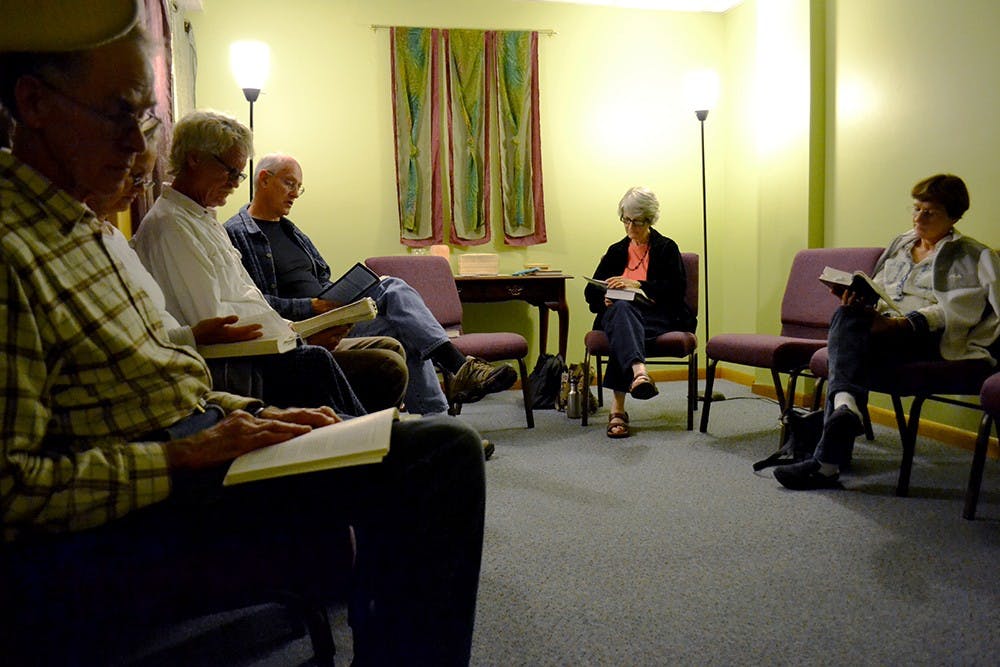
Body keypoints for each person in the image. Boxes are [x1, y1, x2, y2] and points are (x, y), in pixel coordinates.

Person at [0, 20, 485, 665]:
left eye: (147, 120)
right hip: (164, 489)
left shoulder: (90, 231)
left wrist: (248, 415)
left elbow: (167, 373)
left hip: (206, 431)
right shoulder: (14, 253)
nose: (141, 148)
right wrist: (190, 453)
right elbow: (12, 488)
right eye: (120, 114)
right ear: (32, 104)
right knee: (436, 456)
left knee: (384, 430)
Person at [130, 110, 389, 415]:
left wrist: (295, 330)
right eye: (230, 171)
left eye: (238, 174)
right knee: (318, 363)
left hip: (269, 343)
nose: (235, 183)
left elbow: (248, 299)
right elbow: (217, 324)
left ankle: (374, 437)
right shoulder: (170, 227)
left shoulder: (203, 219)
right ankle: (373, 442)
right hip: (238, 362)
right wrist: (296, 335)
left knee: (365, 355)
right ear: (195, 158)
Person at [224, 152, 517, 416]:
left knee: (406, 325)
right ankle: (459, 367)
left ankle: (438, 422)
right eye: (290, 184)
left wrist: (339, 296)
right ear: (264, 179)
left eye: (299, 187)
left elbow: (322, 278)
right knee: (391, 286)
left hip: (332, 315)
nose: (295, 194)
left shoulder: (292, 231)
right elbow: (253, 303)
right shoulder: (236, 234)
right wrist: (312, 306)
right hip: (300, 327)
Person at [773, 174, 1000, 490]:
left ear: (954, 216)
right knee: (848, 314)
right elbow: (880, 288)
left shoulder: (971, 255)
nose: (919, 218)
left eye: (929, 212)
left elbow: (959, 311)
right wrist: (859, 299)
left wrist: (901, 324)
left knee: (848, 340)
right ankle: (839, 427)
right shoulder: (900, 244)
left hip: (929, 338)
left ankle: (839, 418)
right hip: (884, 331)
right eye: (916, 208)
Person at [584, 186, 697, 439]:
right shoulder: (615, 251)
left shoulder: (667, 248)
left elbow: (676, 291)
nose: (630, 226)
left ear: (650, 219)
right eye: (626, 219)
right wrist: (605, 298)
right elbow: (589, 292)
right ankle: (640, 374)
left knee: (623, 328)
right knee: (622, 310)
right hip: (618, 315)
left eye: (637, 221)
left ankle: (618, 410)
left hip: (658, 317)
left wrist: (639, 285)